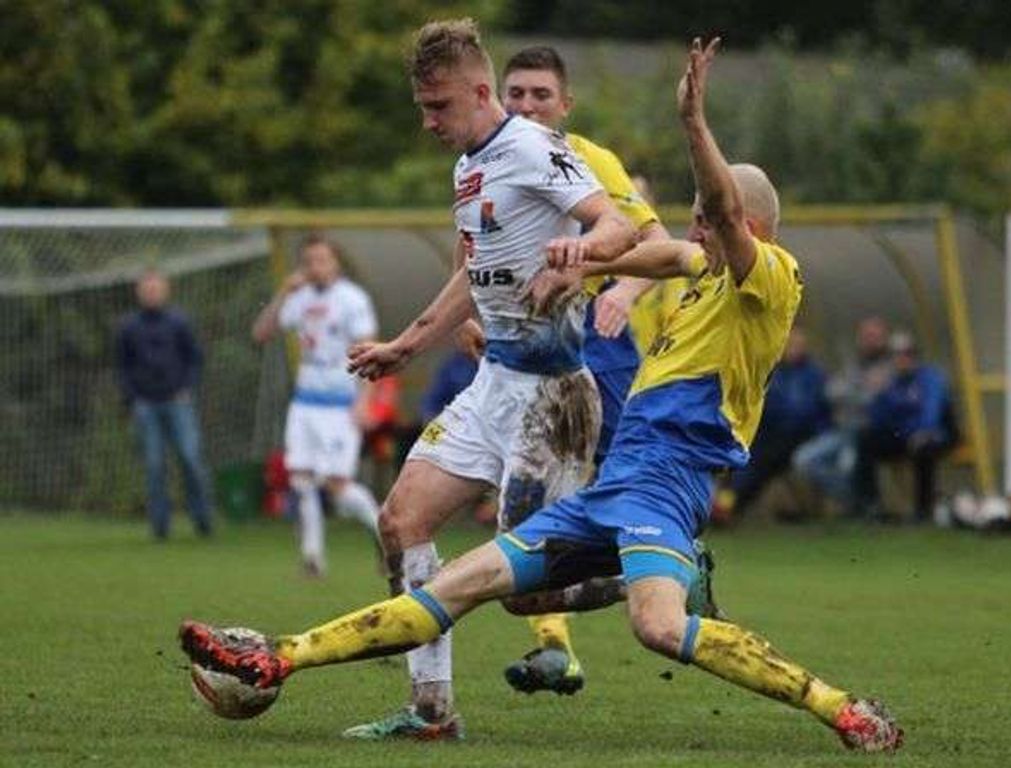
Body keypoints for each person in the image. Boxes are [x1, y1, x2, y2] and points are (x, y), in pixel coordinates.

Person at [180, 36, 903, 755]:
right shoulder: (705, 267)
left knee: (656, 627)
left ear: (746, 227)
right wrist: (582, 266)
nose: (695, 229)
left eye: (705, 220)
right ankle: (276, 658)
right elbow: (659, 249)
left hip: (664, 486)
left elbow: (695, 213)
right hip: (614, 480)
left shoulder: (769, 276)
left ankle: (840, 708)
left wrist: (692, 123)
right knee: (454, 588)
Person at [327, 18, 636, 740]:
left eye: (438, 106)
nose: (428, 122)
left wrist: (580, 257)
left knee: (523, 596)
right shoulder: (467, 167)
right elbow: (474, 273)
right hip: (495, 384)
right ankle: (431, 713)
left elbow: (617, 227)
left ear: (478, 91)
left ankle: (654, 572)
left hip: (553, 400)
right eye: (421, 107)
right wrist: (407, 344)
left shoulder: (532, 147)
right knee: (400, 524)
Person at [490, 44, 675, 697]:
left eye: (541, 95)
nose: (527, 106)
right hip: (524, 347)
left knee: (625, 485)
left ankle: (670, 577)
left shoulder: (590, 160)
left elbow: (656, 243)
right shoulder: (485, 165)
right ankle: (555, 647)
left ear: (565, 104)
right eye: (516, 94)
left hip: (598, 342)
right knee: (537, 505)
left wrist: (623, 292)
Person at [250, 234, 383, 577]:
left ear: (335, 263)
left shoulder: (352, 299)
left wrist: (364, 402)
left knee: (337, 487)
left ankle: (385, 535)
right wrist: (284, 292)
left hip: (340, 404)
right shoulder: (299, 298)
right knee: (301, 480)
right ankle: (312, 558)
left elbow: (369, 352)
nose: (315, 267)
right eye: (308, 261)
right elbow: (261, 333)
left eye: (322, 260)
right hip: (305, 403)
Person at [114, 269, 213, 540]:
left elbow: (194, 359)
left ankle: (203, 519)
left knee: (190, 458)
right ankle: (160, 526)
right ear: (139, 292)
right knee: (154, 465)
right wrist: (133, 397)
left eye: (156, 288)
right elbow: (122, 366)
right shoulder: (128, 327)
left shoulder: (179, 322)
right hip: (146, 405)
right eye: (147, 289)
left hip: (178, 402)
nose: (151, 293)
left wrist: (186, 389)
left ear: (165, 290)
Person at [853, 330, 958, 522]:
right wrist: (877, 394)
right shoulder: (891, 383)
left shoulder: (929, 378)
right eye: (897, 355)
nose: (902, 359)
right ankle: (871, 504)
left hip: (936, 433)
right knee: (866, 439)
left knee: (924, 448)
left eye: (907, 354)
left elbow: (932, 413)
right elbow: (879, 418)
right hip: (905, 434)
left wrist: (920, 432)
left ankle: (923, 509)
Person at [726, 326, 831, 516]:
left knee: (763, 459)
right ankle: (728, 502)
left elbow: (810, 410)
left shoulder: (813, 375)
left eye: (798, 345)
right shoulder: (772, 371)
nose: (793, 349)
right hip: (770, 433)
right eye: (790, 344)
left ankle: (733, 504)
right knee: (740, 449)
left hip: (803, 435)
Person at [792, 315, 892, 511]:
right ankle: (854, 502)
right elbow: (830, 391)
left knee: (847, 468)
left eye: (874, 336)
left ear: (884, 338)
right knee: (803, 460)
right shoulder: (853, 365)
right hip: (840, 430)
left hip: (867, 433)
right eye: (865, 336)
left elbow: (874, 399)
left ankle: (862, 505)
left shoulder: (892, 367)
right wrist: (858, 391)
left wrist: (853, 393)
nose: (869, 341)